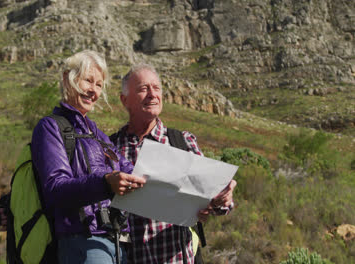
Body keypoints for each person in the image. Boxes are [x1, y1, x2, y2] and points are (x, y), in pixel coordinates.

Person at [110, 64, 237, 264]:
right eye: (143, 89)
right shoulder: (111, 148)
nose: (152, 94)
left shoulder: (182, 142)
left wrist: (222, 200)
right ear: (124, 100)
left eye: (156, 88)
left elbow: (215, 201)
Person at [31, 50, 146, 264]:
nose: (93, 90)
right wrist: (105, 183)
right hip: (81, 242)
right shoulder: (50, 127)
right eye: (88, 81)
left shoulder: (100, 136)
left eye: (99, 84)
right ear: (68, 79)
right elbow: (56, 188)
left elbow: (131, 172)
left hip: (118, 243)